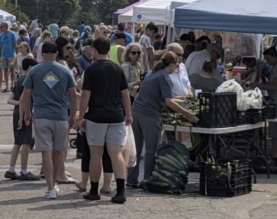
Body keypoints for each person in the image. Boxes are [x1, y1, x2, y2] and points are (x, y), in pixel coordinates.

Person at [127, 52, 198, 189]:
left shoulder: (152, 73)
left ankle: (131, 180)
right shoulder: (164, 77)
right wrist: (187, 114)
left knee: (136, 148)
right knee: (150, 149)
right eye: (175, 65)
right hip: (149, 114)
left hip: (135, 111)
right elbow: (169, 102)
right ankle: (147, 179)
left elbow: (160, 96)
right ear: (171, 64)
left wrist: (180, 99)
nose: (176, 68)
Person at [18, 41, 78, 199]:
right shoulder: (65, 70)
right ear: (57, 53)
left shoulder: (35, 70)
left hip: (41, 115)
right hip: (60, 115)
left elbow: (25, 94)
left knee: (46, 152)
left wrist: (25, 113)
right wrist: (73, 115)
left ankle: (51, 188)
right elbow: (73, 93)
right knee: (59, 152)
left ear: (42, 53)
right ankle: (57, 180)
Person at [78, 37, 131, 203]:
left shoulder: (91, 70)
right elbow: (125, 94)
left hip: (96, 115)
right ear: (109, 49)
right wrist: (128, 114)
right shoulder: (118, 69)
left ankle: (94, 190)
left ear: (94, 49)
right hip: (116, 115)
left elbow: (86, 94)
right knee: (116, 154)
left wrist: (81, 116)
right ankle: (120, 191)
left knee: (96, 154)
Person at [5, 57, 42, 181]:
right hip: (24, 113)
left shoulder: (19, 79)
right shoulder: (28, 80)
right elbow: (23, 99)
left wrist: (19, 105)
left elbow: (10, 99)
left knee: (17, 142)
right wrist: (24, 114)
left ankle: (11, 169)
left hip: (16, 112)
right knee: (26, 142)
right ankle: (24, 170)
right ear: (31, 68)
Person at [0, 22, 18, 93]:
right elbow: (0, 46)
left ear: (6, 26)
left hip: (11, 54)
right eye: (0, 27)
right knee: (5, 70)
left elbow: (15, 44)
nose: (1, 28)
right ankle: (6, 86)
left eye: (2, 27)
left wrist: (16, 54)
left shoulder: (12, 33)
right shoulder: (1, 35)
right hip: (4, 54)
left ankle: (12, 84)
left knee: (12, 70)